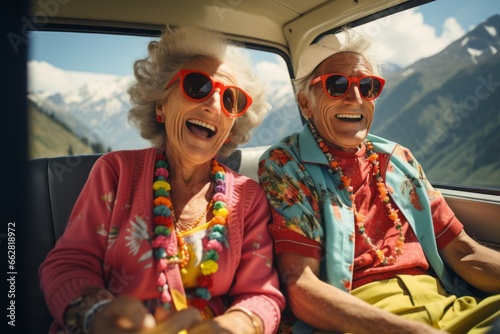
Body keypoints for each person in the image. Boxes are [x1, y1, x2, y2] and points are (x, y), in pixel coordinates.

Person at [39, 26, 285, 334]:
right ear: (161, 105)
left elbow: (261, 294)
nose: (212, 105)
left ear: (232, 126)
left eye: (231, 100)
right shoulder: (116, 172)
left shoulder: (249, 198)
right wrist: (100, 314)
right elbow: (68, 265)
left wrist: (235, 326)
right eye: (197, 86)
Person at [258, 28, 500, 334]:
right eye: (337, 85)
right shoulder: (286, 164)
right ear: (305, 103)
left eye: (368, 86)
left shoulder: (400, 159)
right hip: (363, 317)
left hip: (450, 305)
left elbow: (464, 252)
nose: (355, 98)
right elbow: (300, 285)